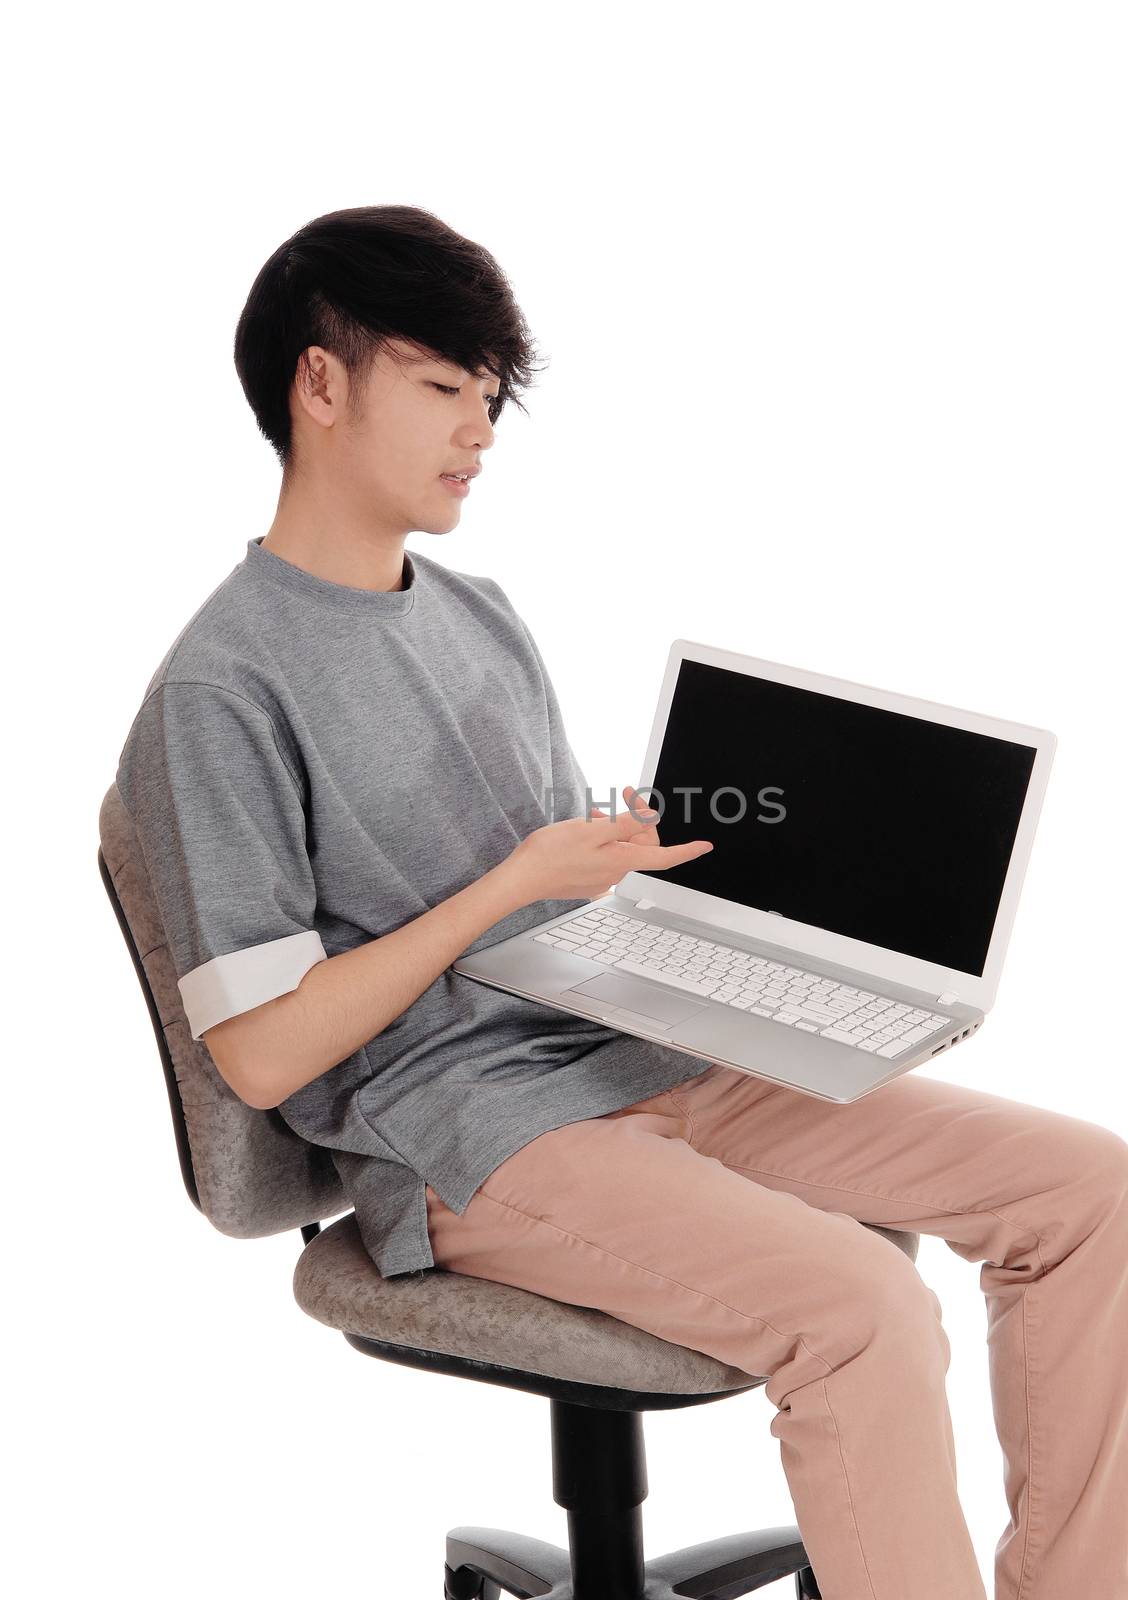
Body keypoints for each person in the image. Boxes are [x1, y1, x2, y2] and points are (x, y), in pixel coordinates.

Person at [115, 205, 1127, 1600]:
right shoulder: (221, 692)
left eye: (490, 398)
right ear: (321, 383)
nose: (478, 429)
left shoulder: (480, 612)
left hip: (635, 1047)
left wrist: (675, 898)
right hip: (474, 1129)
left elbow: (541, 887)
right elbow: (265, 1055)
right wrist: (515, 884)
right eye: (441, 386)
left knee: (1088, 1193)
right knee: (863, 1308)